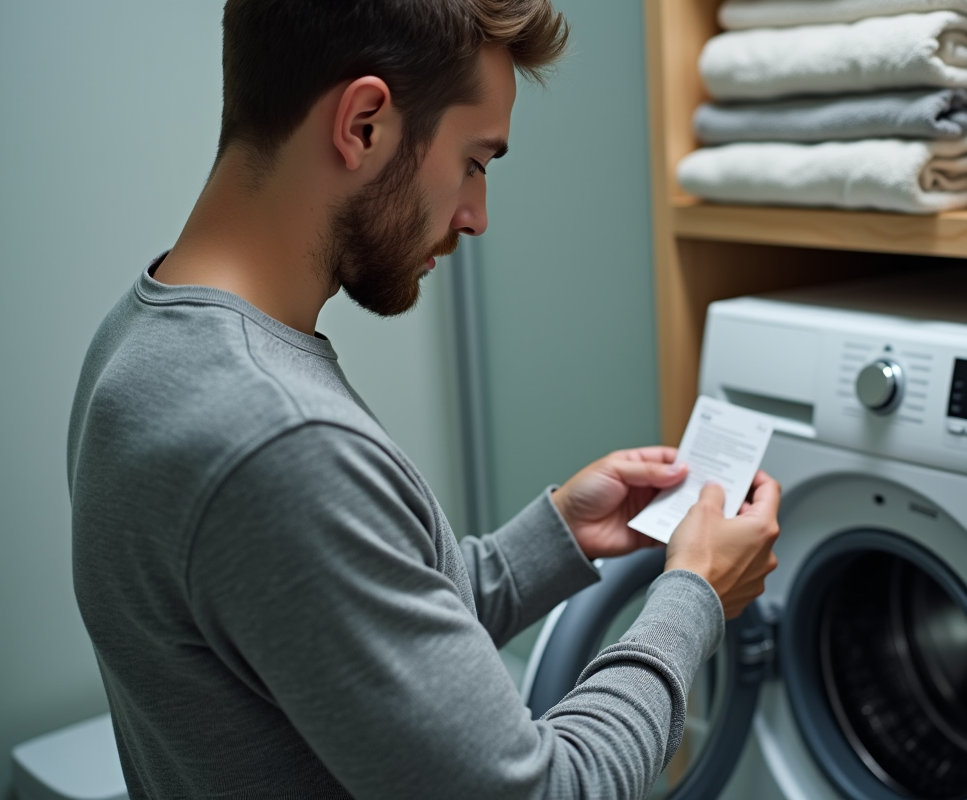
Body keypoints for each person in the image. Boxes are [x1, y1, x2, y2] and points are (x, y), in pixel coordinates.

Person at [67, 1, 781, 798]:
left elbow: (353, 633)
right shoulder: (277, 437)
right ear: (364, 123)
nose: (476, 217)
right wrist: (694, 599)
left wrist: (558, 537)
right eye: (476, 162)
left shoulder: (144, 336)